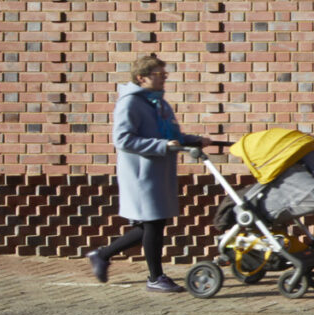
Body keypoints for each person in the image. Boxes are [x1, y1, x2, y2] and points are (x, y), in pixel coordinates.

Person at [87, 53, 218, 292]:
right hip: (141, 174)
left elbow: (169, 136)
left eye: (164, 74)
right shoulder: (130, 102)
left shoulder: (158, 102)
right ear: (141, 78)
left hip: (158, 172)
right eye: (159, 75)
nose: (164, 79)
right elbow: (123, 139)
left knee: (151, 225)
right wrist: (160, 146)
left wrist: (194, 140)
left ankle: (102, 254)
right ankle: (155, 277)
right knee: (154, 224)